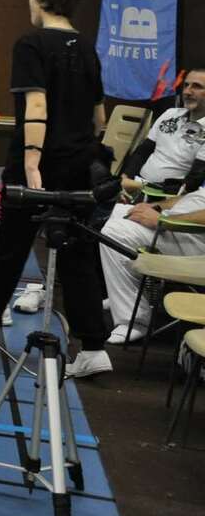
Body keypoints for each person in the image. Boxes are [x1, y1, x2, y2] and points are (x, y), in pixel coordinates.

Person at [0, 0, 110, 377]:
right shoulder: (86, 47)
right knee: (78, 255)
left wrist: (32, 162)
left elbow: (36, 104)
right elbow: (99, 116)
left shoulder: (31, 44)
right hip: (79, 165)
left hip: (37, 168)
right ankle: (93, 348)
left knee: (11, 246)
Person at [100, 69, 205, 343]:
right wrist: (126, 182)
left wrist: (162, 217)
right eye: (187, 85)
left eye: (197, 86)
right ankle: (123, 293)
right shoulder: (170, 115)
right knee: (101, 215)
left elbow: (193, 181)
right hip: (168, 207)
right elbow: (144, 149)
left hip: (185, 227)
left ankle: (133, 319)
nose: (188, 91)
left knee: (114, 232)